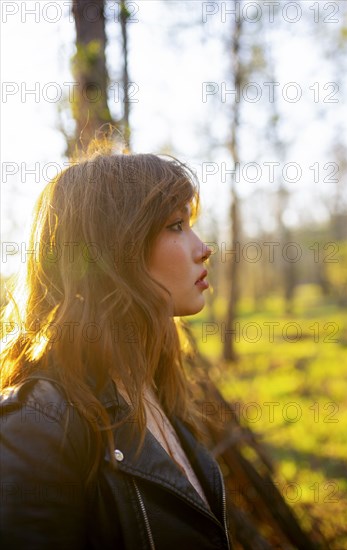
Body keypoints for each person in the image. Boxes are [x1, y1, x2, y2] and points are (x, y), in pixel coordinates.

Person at [0, 148, 231, 549]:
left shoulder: (155, 389)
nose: (202, 247)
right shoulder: (38, 426)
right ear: (114, 253)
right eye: (176, 225)